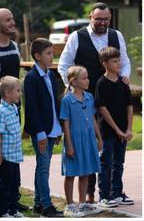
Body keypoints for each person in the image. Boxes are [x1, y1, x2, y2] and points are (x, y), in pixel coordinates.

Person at [58, 3, 131, 202]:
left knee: (115, 147)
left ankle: (115, 191)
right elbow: (64, 64)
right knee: (91, 146)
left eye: (106, 19)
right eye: (98, 19)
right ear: (90, 17)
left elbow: (124, 61)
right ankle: (89, 192)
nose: (102, 22)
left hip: (112, 98)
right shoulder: (76, 36)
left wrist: (124, 77)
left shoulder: (117, 35)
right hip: (86, 101)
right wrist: (74, 89)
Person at [23, 38, 64, 217]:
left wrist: (59, 128)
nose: (52, 56)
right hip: (41, 131)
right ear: (37, 56)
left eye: (52, 53)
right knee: (43, 167)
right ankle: (46, 205)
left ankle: (38, 203)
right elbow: (31, 108)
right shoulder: (31, 78)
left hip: (52, 129)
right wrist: (40, 133)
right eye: (48, 54)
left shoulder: (52, 76)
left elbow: (55, 104)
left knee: (42, 167)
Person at [60, 66, 102, 217]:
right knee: (71, 173)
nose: (88, 80)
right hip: (75, 140)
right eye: (84, 78)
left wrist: (99, 137)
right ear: (74, 82)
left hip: (88, 138)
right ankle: (70, 205)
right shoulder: (67, 100)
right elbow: (66, 124)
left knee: (86, 171)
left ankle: (82, 203)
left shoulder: (90, 97)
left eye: (87, 77)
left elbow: (93, 118)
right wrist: (69, 145)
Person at [96, 47, 134, 208]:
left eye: (119, 60)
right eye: (114, 61)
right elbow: (102, 109)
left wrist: (129, 129)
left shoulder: (123, 82)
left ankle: (117, 193)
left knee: (119, 163)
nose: (119, 63)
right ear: (105, 63)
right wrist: (118, 130)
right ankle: (104, 196)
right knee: (106, 162)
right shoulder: (101, 83)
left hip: (124, 132)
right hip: (108, 132)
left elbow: (130, 106)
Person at [0, 76, 23, 217]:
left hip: (15, 155)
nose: (20, 93)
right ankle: (3, 212)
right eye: (17, 91)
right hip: (6, 156)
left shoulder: (13, 108)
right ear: (7, 92)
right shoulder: (1, 112)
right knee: (6, 185)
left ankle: (13, 210)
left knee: (16, 183)